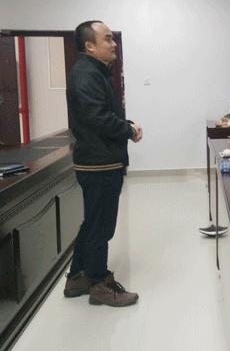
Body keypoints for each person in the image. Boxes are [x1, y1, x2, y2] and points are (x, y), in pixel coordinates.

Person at [63, 21, 141, 307]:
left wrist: (126, 124)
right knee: (101, 226)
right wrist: (128, 130)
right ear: (90, 46)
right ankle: (98, 283)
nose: (113, 43)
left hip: (101, 160)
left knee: (93, 222)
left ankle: (77, 277)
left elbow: (102, 113)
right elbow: (97, 117)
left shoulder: (94, 71)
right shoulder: (86, 74)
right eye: (107, 39)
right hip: (98, 163)